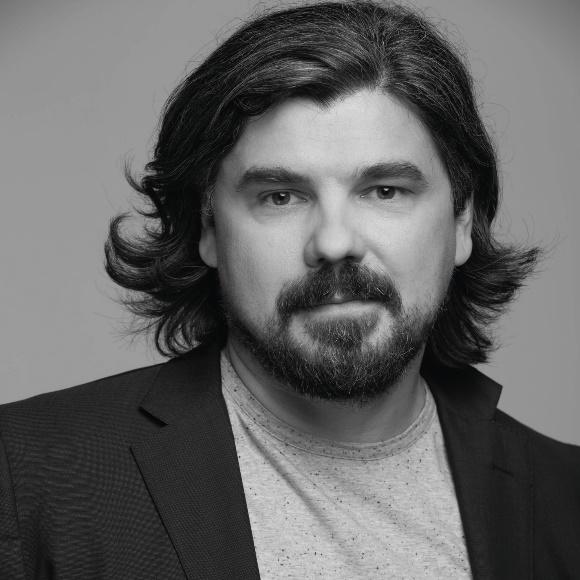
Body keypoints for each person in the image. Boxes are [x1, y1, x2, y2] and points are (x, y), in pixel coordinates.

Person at [1, 1, 578, 578]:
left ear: (461, 221)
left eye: (385, 190)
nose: (334, 242)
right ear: (208, 228)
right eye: (280, 197)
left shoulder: (565, 498)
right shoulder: (24, 476)